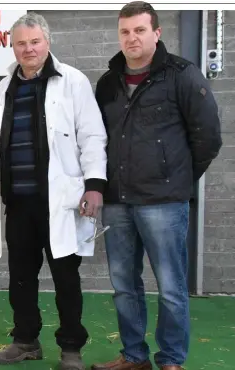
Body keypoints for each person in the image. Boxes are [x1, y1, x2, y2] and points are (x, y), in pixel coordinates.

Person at [0, 12, 107, 370]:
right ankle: (25, 340)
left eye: (34, 41)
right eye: (21, 43)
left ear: (47, 42)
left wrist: (95, 185)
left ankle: (71, 347)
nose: (28, 49)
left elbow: (92, 136)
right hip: (19, 202)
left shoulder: (72, 81)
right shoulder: (4, 87)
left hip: (59, 202)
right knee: (21, 277)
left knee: (65, 279)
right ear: (13, 47)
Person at [91, 2, 222, 370]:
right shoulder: (107, 83)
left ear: (156, 32)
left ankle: (171, 360)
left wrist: (176, 179)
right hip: (117, 201)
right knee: (123, 286)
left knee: (171, 287)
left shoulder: (182, 74)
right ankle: (134, 356)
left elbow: (208, 137)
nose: (131, 38)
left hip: (164, 202)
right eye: (125, 31)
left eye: (139, 30)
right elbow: (97, 138)